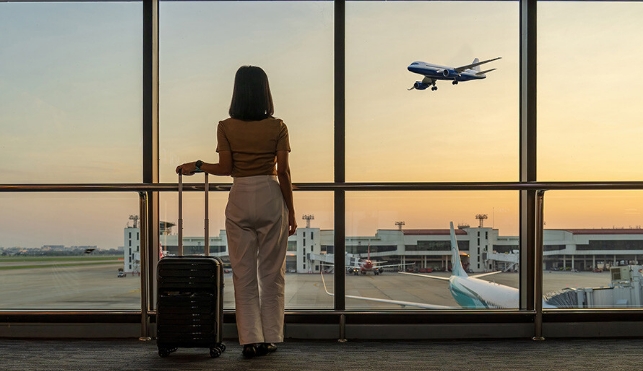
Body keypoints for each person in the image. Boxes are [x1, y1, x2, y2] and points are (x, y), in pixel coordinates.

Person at [176, 65, 297, 358]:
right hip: (270, 195)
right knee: (272, 273)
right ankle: (271, 337)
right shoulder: (278, 126)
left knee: (243, 274)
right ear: (266, 91)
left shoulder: (226, 126)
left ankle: (250, 340)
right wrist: (291, 211)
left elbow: (226, 169)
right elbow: (284, 172)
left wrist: (198, 165)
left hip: (241, 194)